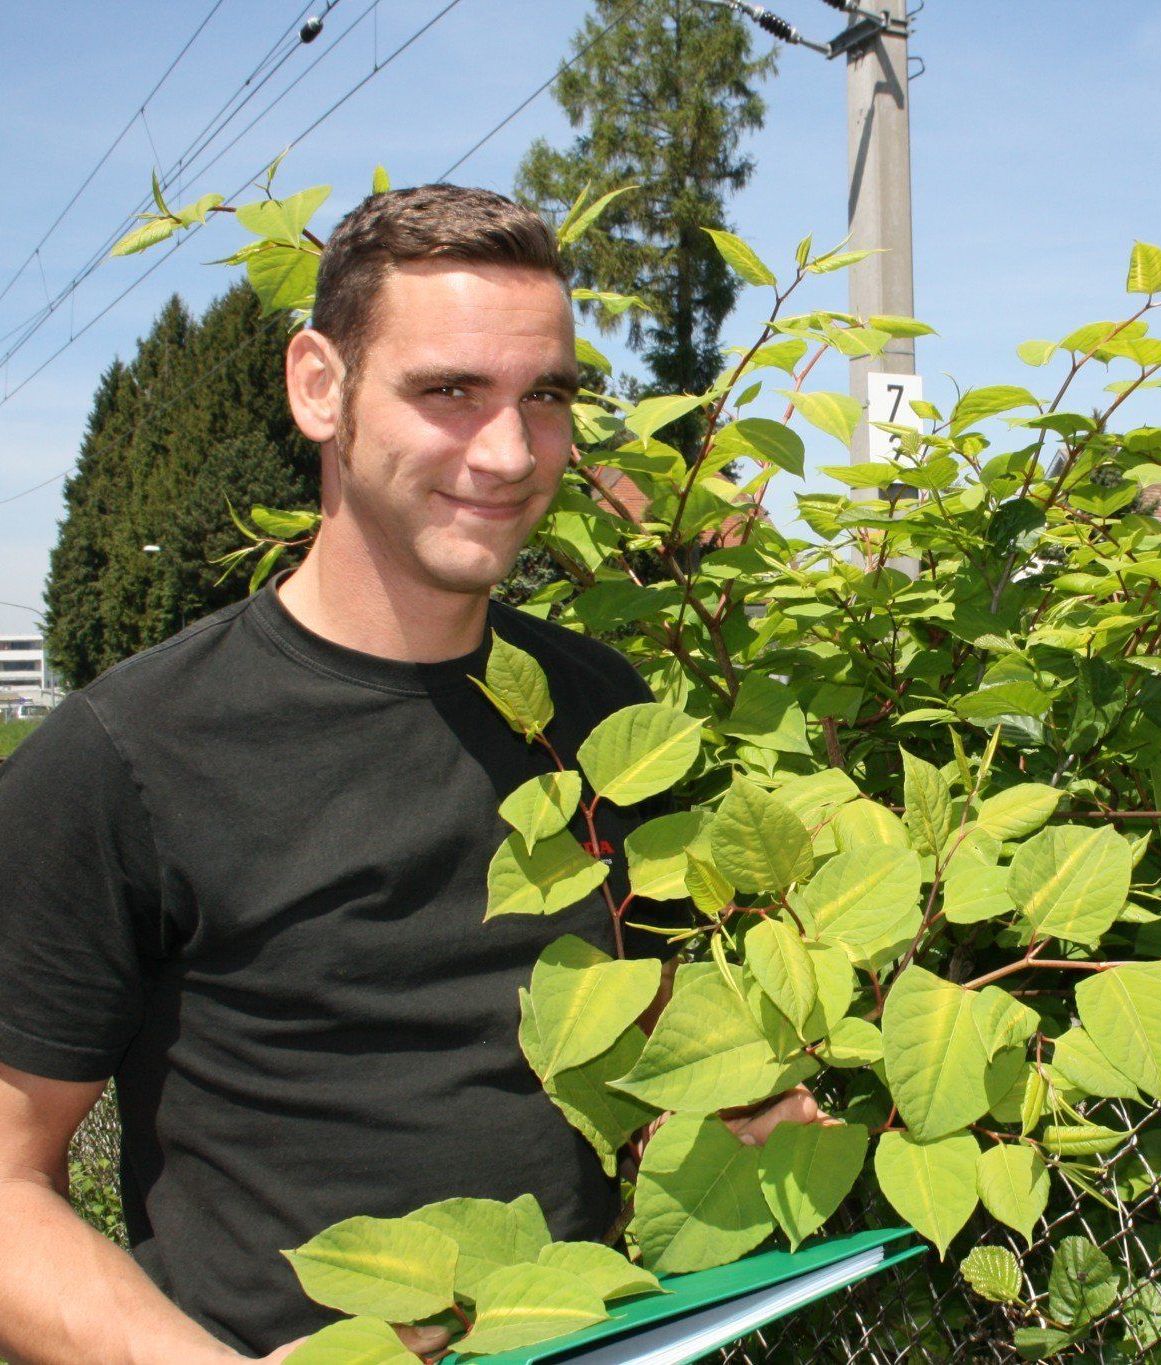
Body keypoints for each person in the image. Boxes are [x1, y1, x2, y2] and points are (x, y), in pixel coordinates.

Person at [0, 184, 809, 1365]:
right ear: (318, 385)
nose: (508, 451)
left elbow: (650, 1051)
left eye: (545, 398)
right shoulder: (128, 756)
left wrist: (735, 1101)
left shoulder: (604, 715)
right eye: (448, 392)